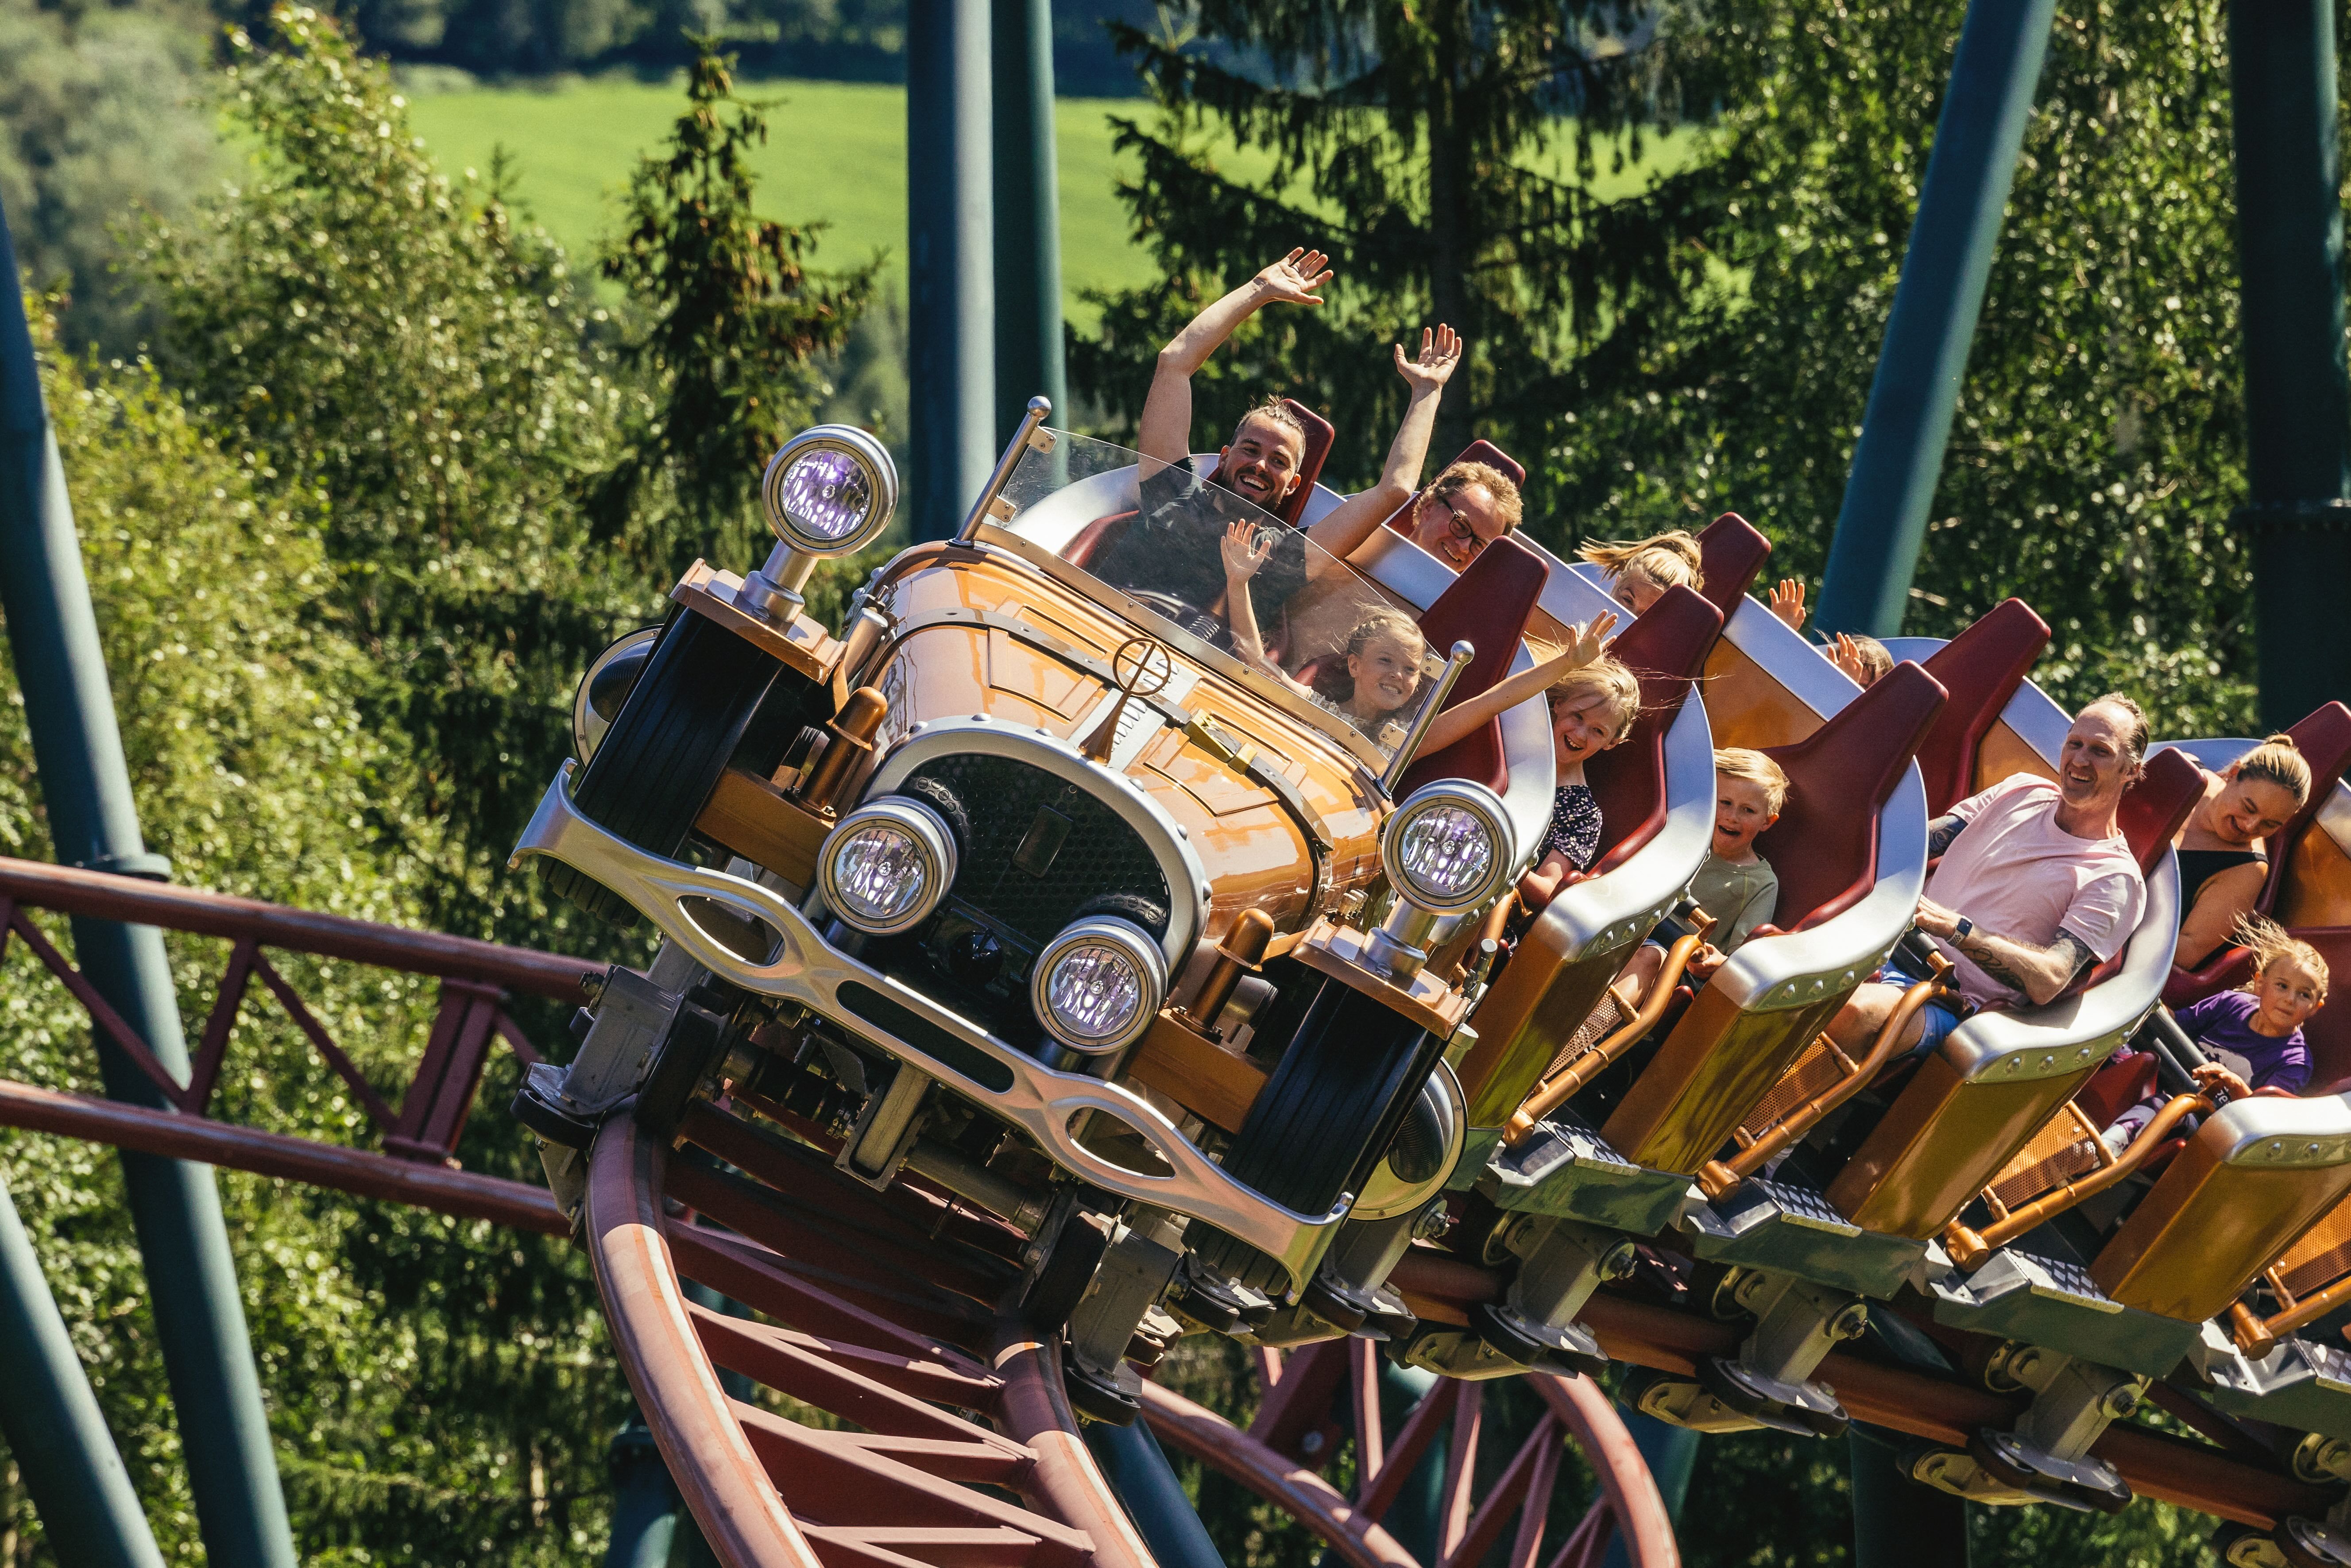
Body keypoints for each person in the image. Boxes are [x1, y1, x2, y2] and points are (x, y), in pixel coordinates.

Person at [1096, 248, 1467, 642]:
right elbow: (1174, 362)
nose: (1260, 466)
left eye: (1278, 461)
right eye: (1251, 450)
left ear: (1292, 485)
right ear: (1225, 457)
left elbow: (1394, 490)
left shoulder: (1279, 556)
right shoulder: (1172, 491)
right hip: (1093, 624)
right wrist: (1258, 290)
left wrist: (1427, 391)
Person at [1824, 696, 2153, 1062]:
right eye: (2074, 744)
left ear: (2132, 771)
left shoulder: (2115, 878)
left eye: (2100, 751)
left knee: (1853, 1010)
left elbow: (2049, 979)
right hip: (1886, 941)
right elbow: (1916, 842)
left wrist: (1956, 928)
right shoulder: (2021, 791)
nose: (2079, 760)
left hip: (1947, 1000)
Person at [1597, 748, 1788, 1028]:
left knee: (1650, 956)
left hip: (1679, 964)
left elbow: (1737, 960)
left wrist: (1718, 961)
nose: (1732, 817)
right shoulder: (1685, 839)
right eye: (1725, 802)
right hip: (1634, 932)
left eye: (1748, 810)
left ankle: (1580, 1037)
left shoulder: (1761, 883)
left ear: (1767, 821)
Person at [2107, 915, 2329, 1150]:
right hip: (2171, 1076)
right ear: (2260, 984)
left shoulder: (2294, 1061)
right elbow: (2176, 1027)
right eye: (2282, 986)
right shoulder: (2232, 1003)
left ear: (2316, 1007)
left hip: (2208, 1121)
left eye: (2304, 995)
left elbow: (2262, 1123)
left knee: (2168, 1106)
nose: (2290, 1000)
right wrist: (2146, 1000)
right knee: (2117, 1042)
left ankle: (2090, 1156)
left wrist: (2233, 1084)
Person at [2171, 735, 2312, 971]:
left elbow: (2185, 954)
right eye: (2249, 807)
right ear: (2234, 773)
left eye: (2270, 824)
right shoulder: (2183, 775)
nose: (2250, 827)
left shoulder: (2248, 869)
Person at [1515, 658, 1645, 906]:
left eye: (1598, 731)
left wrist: (1499, 861)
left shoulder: (1583, 814)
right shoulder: (1509, 746)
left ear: (1611, 743)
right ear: (1559, 705)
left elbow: (1547, 889)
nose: (1580, 734)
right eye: (1578, 716)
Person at [1395, 460, 1525, 568]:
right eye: (1461, 526)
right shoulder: (1374, 541)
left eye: (1479, 545)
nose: (1465, 547)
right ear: (1429, 506)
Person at [1767, 578, 1891, 687]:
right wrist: (1782, 629)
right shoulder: (1804, 684)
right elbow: (1771, 670)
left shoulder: (1868, 713)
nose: (1855, 678)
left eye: (1864, 689)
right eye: (1847, 672)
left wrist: (1845, 689)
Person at [1579, 531, 1704, 616]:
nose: (1631, 617)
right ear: (1618, 581)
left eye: (1646, 616)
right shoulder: (1575, 612)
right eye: (1627, 600)